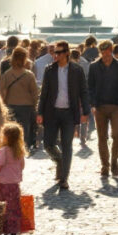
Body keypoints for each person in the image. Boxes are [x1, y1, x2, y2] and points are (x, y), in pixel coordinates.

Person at [36, 40, 90, 190]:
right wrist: (40, 112)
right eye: (54, 52)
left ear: (66, 53)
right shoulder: (49, 70)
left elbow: (83, 92)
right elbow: (44, 93)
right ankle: (60, 161)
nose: (55, 55)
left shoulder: (77, 70)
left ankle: (64, 178)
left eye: (59, 52)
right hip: (51, 112)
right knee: (48, 144)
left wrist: (85, 111)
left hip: (69, 114)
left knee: (67, 146)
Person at [88, 39, 118, 178]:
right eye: (103, 53)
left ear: (111, 51)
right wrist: (93, 104)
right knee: (102, 137)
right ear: (100, 52)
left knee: (117, 136)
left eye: (108, 52)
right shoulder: (94, 66)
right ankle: (105, 165)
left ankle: (114, 161)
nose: (106, 55)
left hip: (117, 106)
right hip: (100, 107)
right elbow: (90, 87)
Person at [0, 123, 27, 235]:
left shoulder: (4, 150)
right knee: (14, 208)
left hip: (3, 184)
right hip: (14, 184)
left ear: (6, 137)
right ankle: (13, 233)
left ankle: (4, 231)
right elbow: (22, 165)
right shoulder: (20, 151)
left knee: (3, 207)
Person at [0, 47, 40, 152]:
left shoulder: (7, 74)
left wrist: (2, 105)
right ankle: (21, 151)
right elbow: (35, 93)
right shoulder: (29, 75)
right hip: (26, 107)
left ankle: (11, 150)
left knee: (11, 131)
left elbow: (2, 91)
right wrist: (35, 106)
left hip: (11, 106)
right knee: (24, 131)